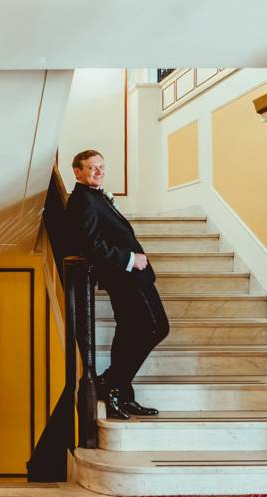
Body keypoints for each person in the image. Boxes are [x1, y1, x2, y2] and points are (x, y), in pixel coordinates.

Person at [64, 150, 169, 420]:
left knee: (128, 332)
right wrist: (130, 259)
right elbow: (91, 246)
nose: (99, 172)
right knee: (156, 328)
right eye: (91, 168)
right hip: (125, 277)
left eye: (101, 166)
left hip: (130, 277)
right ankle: (110, 384)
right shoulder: (82, 200)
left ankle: (121, 393)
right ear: (77, 171)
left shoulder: (95, 196)